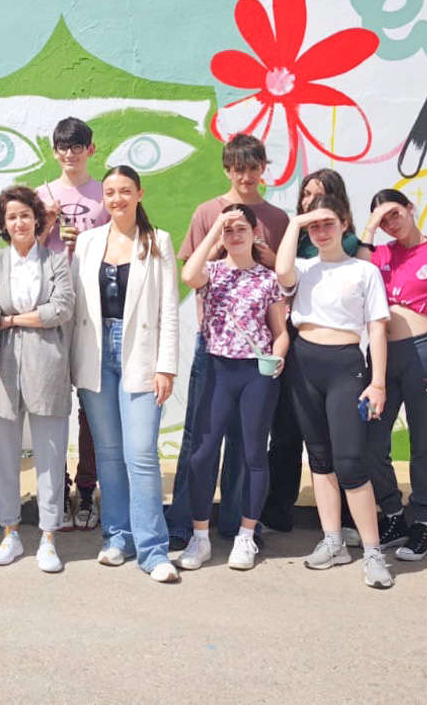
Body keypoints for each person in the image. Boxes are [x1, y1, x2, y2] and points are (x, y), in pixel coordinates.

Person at [167, 134, 288, 548]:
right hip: (213, 342)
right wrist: (221, 234)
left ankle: (239, 526)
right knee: (199, 439)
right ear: (227, 169)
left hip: (257, 348)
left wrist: (262, 251)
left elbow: (283, 274)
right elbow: (192, 269)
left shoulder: (276, 217)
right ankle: (183, 522)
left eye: (253, 167)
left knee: (247, 440)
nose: (246, 175)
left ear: (262, 167)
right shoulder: (207, 212)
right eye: (238, 168)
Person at [275, 194, 393, 589]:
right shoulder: (304, 268)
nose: (321, 231)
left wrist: (378, 382)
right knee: (320, 459)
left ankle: (373, 553)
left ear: (345, 224)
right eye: (314, 226)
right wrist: (298, 222)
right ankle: (333, 541)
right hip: (304, 365)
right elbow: (281, 271)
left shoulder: (364, 271)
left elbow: (377, 327)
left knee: (350, 462)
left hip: (345, 367)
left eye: (328, 223)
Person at [72, 165, 180, 583]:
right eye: (110, 192)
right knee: (109, 455)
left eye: (125, 191)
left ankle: (153, 549)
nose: (117, 199)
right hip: (95, 354)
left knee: (141, 455)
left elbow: (168, 308)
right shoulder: (87, 241)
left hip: (141, 354)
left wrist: (166, 366)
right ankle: (117, 537)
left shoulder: (158, 242)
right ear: (103, 197)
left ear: (139, 194)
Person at [359, 188, 427, 561]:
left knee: (423, 446)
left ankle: (421, 522)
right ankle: (393, 513)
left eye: (394, 213)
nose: (391, 224)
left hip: (424, 355)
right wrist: (371, 227)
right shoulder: (378, 255)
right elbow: (356, 272)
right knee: (371, 442)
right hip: (381, 358)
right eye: (382, 219)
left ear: (410, 208)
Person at [261, 168, 367, 535]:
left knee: (343, 442)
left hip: (338, 355)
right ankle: (278, 510)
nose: (310, 202)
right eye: (306, 194)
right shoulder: (299, 243)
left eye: (319, 194)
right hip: (297, 343)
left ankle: (350, 521)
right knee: (287, 432)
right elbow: (283, 273)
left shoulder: (348, 245)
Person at [0, 186, 74, 572]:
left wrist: (13, 319)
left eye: (26, 215)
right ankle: (10, 533)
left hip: (48, 364)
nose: (19, 222)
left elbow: (61, 309)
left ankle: (48, 536)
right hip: (0, 365)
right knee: (4, 455)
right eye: (11, 216)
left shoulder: (56, 262)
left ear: (38, 220)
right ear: (3, 223)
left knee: (50, 455)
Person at [35, 117, 107, 530]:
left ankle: (86, 489)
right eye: (63, 146)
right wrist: (46, 224)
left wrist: (89, 244)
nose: (69, 154)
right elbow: (23, 247)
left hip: (94, 309)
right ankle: (58, 489)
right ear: (54, 150)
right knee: (53, 408)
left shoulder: (104, 193)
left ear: (90, 150)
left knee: (90, 408)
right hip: (51, 311)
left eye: (77, 146)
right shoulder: (42, 194)